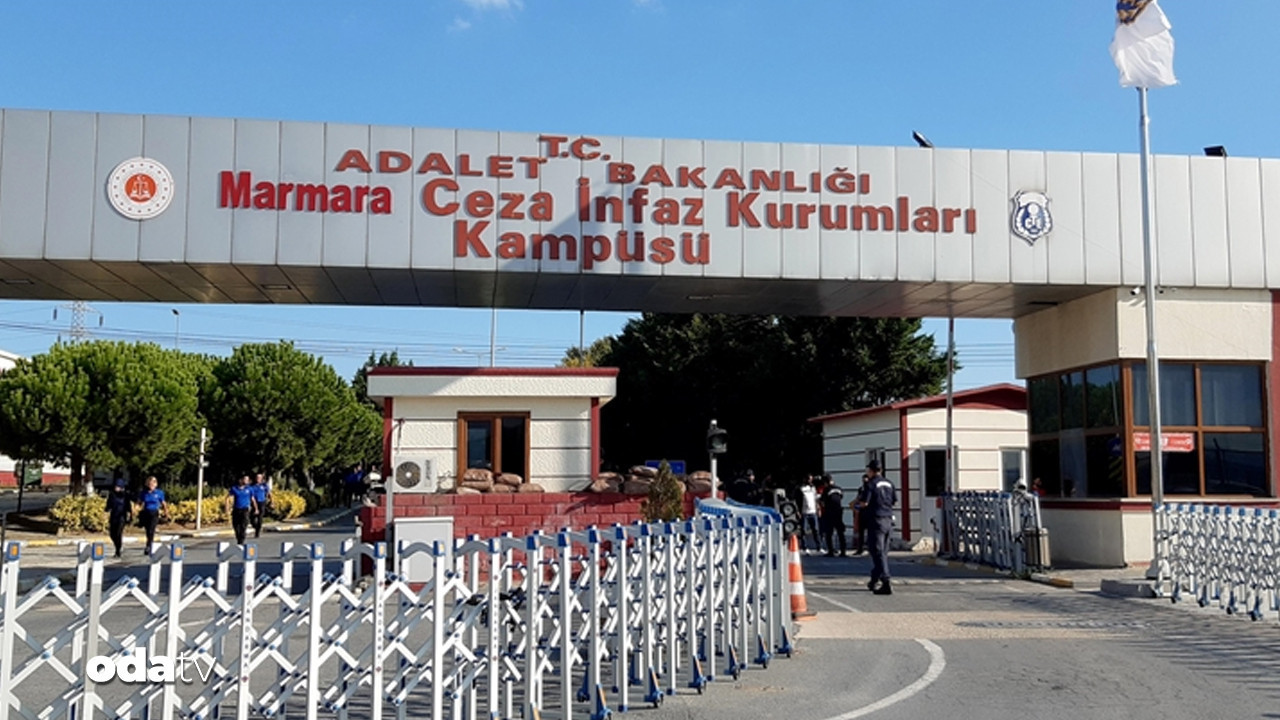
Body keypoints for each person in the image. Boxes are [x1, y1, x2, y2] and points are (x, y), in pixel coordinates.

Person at [864, 460, 898, 595]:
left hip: (876, 520)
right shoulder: (890, 483)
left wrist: (857, 506)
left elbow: (865, 502)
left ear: (871, 471)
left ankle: (886, 581)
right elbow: (894, 501)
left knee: (877, 552)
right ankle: (874, 580)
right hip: (888, 519)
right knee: (882, 553)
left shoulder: (870, 484)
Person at [137, 476, 169, 556]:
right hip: (146, 512)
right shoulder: (144, 493)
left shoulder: (159, 493)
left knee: (152, 530)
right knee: (148, 530)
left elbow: (163, 503)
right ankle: (149, 543)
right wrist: (136, 509)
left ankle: (149, 546)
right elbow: (139, 502)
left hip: (154, 513)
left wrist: (166, 513)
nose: (151, 486)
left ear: (156, 484)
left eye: (153, 484)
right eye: (150, 484)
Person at [819, 473, 847, 557]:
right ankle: (843, 551)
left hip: (829, 513)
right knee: (840, 533)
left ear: (825, 482)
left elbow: (822, 502)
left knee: (829, 533)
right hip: (838, 512)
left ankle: (831, 551)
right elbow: (841, 497)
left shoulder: (826, 490)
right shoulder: (839, 489)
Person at [226, 474, 258, 545]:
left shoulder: (249, 489)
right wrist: (227, 508)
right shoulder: (234, 488)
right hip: (236, 509)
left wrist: (256, 508)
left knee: (244, 525)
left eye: (247, 479)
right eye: (245, 479)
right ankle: (238, 538)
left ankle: (242, 540)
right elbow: (228, 498)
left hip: (245, 509)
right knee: (236, 525)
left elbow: (253, 499)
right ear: (240, 480)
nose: (246, 481)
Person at [105, 478, 132, 558]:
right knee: (112, 534)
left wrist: (130, 516)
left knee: (118, 533)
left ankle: (118, 550)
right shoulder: (112, 495)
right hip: (113, 516)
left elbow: (129, 506)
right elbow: (108, 505)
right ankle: (118, 546)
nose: (116, 488)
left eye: (118, 486)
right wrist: (106, 511)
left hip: (122, 517)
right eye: (115, 486)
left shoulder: (125, 495)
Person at [798, 475, 822, 554]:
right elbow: (797, 500)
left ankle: (819, 547)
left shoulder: (813, 488)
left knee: (816, 530)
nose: (810, 481)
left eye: (811, 479)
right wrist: (798, 511)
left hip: (813, 511)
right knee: (803, 530)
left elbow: (816, 499)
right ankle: (804, 547)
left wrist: (818, 508)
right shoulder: (801, 488)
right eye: (809, 479)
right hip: (804, 512)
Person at [852, 471, 873, 555]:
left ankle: (870, 548)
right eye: (863, 479)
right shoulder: (861, 489)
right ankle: (860, 548)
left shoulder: (871, 488)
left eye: (866, 479)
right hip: (861, 512)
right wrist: (855, 506)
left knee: (870, 531)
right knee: (861, 531)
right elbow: (858, 498)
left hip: (869, 512)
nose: (864, 481)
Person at [250, 473, 273, 538]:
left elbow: (269, 493)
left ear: (262, 478)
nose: (258, 479)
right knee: (252, 517)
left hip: (262, 502)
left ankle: (257, 532)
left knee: (260, 517)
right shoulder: (252, 486)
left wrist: (272, 502)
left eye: (260, 478)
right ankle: (256, 526)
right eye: (257, 477)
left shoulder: (264, 485)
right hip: (254, 502)